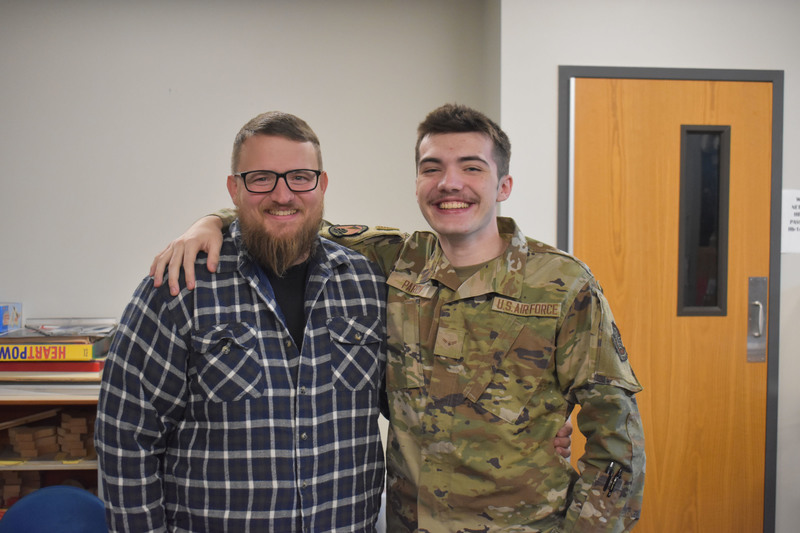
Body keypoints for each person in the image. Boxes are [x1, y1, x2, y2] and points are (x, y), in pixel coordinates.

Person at [151, 104, 644, 531]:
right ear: (416, 184)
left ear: (504, 184)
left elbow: (618, 441)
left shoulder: (562, 285)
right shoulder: (393, 260)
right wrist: (211, 222)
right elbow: (286, 210)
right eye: (432, 168)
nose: (450, 183)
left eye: (471, 168)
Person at [95, 111, 389, 531]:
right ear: (234, 189)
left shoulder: (367, 283)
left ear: (321, 185)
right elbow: (125, 437)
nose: (283, 194)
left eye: (300, 177)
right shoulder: (182, 285)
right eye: (261, 178)